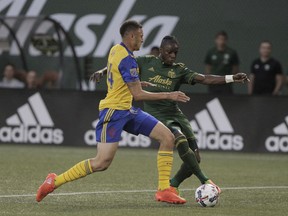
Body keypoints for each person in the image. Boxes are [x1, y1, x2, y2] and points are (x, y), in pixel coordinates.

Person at [36, 20, 190, 204]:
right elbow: (138, 95)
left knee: (167, 138)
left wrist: (136, 83)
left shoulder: (116, 49)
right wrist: (169, 95)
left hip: (128, 109)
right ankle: (55, 180)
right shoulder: (128, 60)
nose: (143, 40)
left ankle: (164, 189)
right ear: (131, 36)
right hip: (113, 112)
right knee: (102, 163)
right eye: (141, 36)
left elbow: (119, 77)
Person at [91, 35, 249, 196]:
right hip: (157, 115)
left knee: (195, 158)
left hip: (175, 114)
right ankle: (205, 181)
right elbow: (119, 66)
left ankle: (173, 185)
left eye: (175, 53)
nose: (172, 56)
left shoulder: (179, 70)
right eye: (169, 52)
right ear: (160, 51)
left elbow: (205, 79)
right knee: (178, 138)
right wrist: (102, 71)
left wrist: (231, 78)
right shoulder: (146, 62)